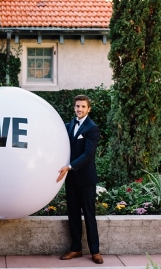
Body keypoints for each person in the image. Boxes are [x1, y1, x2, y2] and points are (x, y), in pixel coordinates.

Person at [56, 95, 103, 265]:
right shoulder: (69, 126)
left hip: (86, 179)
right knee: (73, 214)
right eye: (77, 106)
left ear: (88, 109)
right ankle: (76, 249)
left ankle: (95, 251)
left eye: (83, 107)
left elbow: (88, 155)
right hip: (71, 179)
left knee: (89, 215)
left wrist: (69, 166)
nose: (80, 109)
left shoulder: (92, 129)